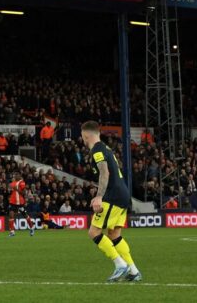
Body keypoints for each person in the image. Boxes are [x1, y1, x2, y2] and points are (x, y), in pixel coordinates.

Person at [80, 121, 141, 282]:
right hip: (123, 195)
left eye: (82, 136)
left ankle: (120, 264)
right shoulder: (105, 148)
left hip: (112, 196)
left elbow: (104, 172)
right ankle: (133, 271)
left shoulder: (96, 150)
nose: (82, 139)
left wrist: (99, 196)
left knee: (93, 232)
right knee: (114, 235)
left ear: (86, 135)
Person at [7, 172, 33, 237]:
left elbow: (23, 193)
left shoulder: (22, 182)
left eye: (17, 175)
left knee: (25, 215)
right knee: (11, 215)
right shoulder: (12, 183)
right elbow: (10, 191)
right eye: (15, 175)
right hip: (12, 202)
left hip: (20, 203)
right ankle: (12, 232)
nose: (15, 176)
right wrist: (9, 189)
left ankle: (31, 228)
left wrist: (17, 189)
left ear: (20, 176)